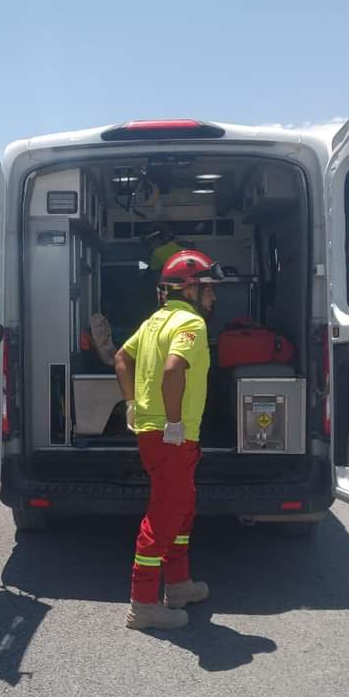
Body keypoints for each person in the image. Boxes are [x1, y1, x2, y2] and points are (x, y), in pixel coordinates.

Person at [114, 249, 223, 631]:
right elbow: (174, 370)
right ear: (189, 289)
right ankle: (143, 605)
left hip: (155, 433)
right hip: (170, 435)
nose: (212, 297)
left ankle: (177, 585)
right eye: (208, 290)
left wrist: (131, 404)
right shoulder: (190, 325)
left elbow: (120, 358)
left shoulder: (154, 322)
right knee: (163, 516)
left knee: (181, 507)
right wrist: (175, 421)